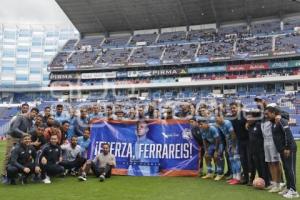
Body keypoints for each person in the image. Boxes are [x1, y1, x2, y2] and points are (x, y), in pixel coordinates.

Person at [265, 107, 299, 198]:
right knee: (286, 169)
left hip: (288, 149)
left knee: (290, 169)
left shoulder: (281, 120)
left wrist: (287, 147)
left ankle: (294, 190)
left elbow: (287, 133)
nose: (266, 116)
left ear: (273, 113)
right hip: (282, 150)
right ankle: (288, 188)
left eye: (267, 113)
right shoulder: (273, 122)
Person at [1, 107, 39, 182]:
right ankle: (4, 175)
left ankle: (18, 173)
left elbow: (29, 132)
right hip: (12, 137)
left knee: (21, 155)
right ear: (30, 112)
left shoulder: (31, 122)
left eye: (36, 113)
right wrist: (23, 133)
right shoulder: (21, 117)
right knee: (9, 155)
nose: (34, 114)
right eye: (33, 112)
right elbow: (14, 128)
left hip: (21, 139)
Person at [246, 111, 270, 187]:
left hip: (262, 150)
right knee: (258, 167)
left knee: (264, 167)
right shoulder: (249, 126)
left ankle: (267, 182)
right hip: (254, 151)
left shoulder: (259, 125)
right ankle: (261, 182)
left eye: (250, 117)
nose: (248, 119)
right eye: (247, 117)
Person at [215, 114, 241, 184]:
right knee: (231, 160)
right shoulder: (220, 125)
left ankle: (238, 177)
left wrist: (233, 146)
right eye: (216, 120)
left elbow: (233, 135)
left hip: (235, 143)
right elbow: (226, 136)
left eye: (218, 119)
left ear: (222, 117)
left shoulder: (227, 123)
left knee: (236, 159)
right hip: (229, 143)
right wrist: (227, 146)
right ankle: (234, 177)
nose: (217, 121)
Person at [229, 102, 250, 184]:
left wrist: (248, 122)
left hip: (248, 140)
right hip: (240, 141)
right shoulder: (232, 118)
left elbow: (254, 118)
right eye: (231, 108)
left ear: (239, 108)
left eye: (234, 107)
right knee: (243, 160)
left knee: (249, 160)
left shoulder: (245, 114)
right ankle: (245, 178)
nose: (232, 109)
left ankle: (251, 178)